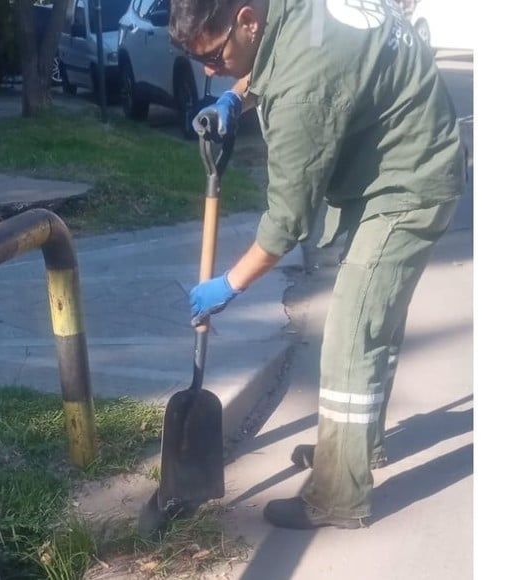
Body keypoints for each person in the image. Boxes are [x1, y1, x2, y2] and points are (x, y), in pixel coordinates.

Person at [170, 0, 465, 529]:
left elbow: (286, 223)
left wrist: (228, 285)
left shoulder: (303, 94)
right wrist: (235, 98)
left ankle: (338, 496)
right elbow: (284, 62)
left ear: (246, 19)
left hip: (409, 182)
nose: (208, 72)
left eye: (214, 58)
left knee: (352, 335)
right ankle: (353, 449)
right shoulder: (286, 12)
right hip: (408, 154)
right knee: (375, 322)